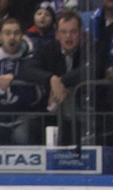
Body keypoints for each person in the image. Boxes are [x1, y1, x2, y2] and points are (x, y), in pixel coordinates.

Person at [17, 10, 87, 143]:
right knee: (25, 133)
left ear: (80, 34)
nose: (68, 36)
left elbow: (92, 68)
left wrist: (62, 81)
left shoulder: (89, 48)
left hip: (81, 115)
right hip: (50, 115)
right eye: (64, 32)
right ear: (57, 35)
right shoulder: (48, 49)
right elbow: (26, 69)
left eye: (73, 31)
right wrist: (51, 79)